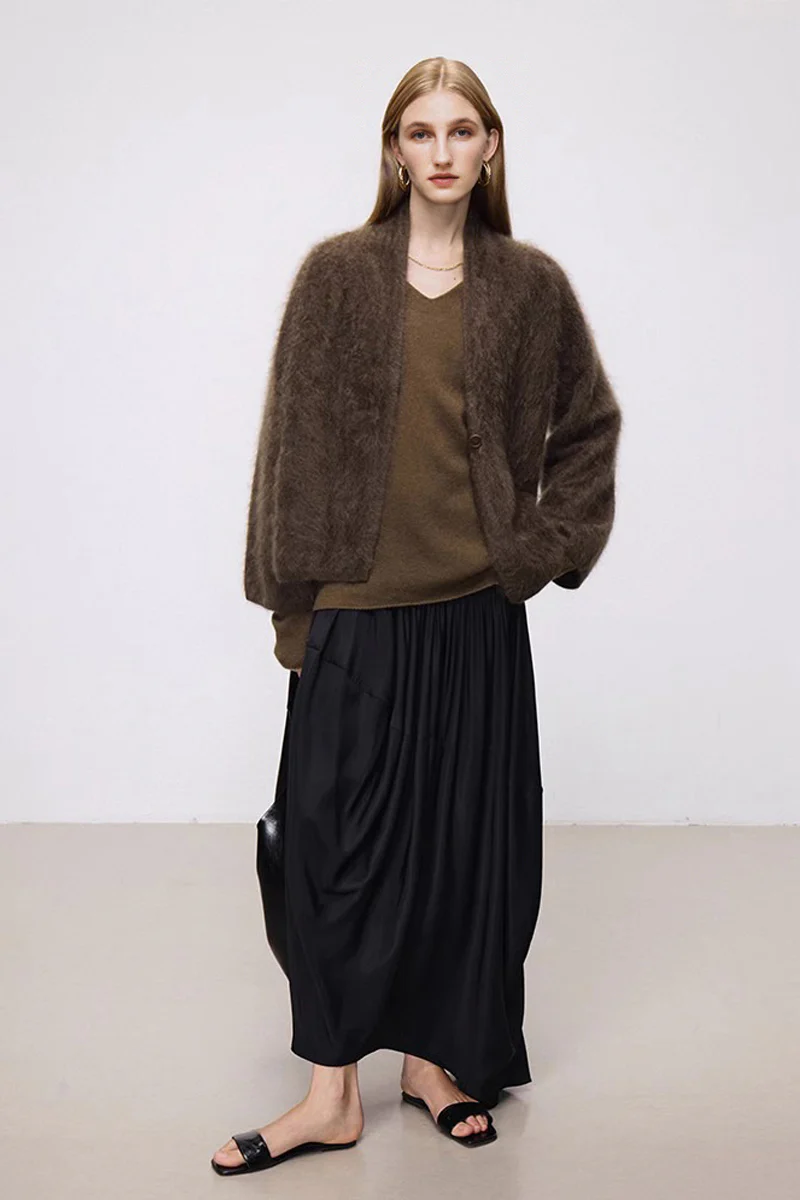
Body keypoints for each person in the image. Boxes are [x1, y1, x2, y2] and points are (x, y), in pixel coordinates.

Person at [212, 56, 622, 1176]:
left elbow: (587, 428)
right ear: (393, 151)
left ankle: (437, 1065)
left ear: (490, 147)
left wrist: (539, 547)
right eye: (419, 131)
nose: (441, 151)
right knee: (330, 852)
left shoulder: (527, 287)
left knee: (462, 850)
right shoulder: (335, 277)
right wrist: (293, 616)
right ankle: (330, 1094)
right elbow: (287, 451)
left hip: (477, 613)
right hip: (355, 608)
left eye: (461, 130)